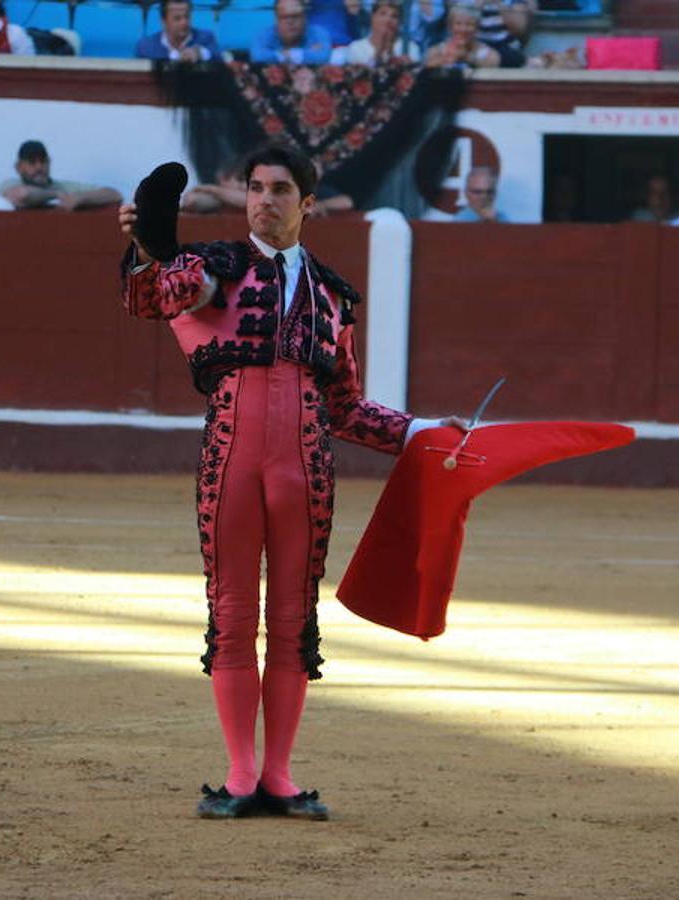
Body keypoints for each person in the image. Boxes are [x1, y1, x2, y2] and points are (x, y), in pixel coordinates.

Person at [118, 145, 465, 821]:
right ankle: (240, 771)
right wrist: (147, 245)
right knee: (232, 613)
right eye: (254, 187)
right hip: (231, 455)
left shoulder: (334, 297)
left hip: (305, 464)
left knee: (292, 621)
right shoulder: (211, 265)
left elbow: (345, 409)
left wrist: (422, 430)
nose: (264, 200)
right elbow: (149, 297)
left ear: (306, 203)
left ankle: (278, 774)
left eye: (279, 189)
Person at [0, 140, 121, 212]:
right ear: (18, 167)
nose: (39, 167)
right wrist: (56, 194)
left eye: (43, 161)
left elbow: (114, 195)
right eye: (32, 162)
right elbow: (22, 195)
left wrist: (80, 197)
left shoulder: (63, 186)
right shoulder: (11, 184)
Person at [134, 0, 221, 61]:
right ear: (163, 22)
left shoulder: (206, 38)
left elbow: (216, 56)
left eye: (187, 16)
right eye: (177, 18)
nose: (184, 22)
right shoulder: (146, 46)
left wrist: (199, 53)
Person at [250, 0, 333, 64]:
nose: (290, 22)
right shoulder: (264, 35)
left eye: (295, 16)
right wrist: (301, 54)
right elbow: (258, 57)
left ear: (305, 17)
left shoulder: (319, 33)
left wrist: (278, 55)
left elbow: (323, 56)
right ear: (276, 20)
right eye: (284, 17)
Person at [343, 0, 421, 64]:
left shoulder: (411, 48)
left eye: (394, 16)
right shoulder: (356, 48)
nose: (388, 20)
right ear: (372, 17)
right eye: (383, 14)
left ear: (399, 22)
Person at [424, 4, 502, 69]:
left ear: (477, 28)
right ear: (450, 27)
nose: (463, 29)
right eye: (458, 24)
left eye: (469, 24)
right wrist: (447, 58)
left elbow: (492, 65)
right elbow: (425, 68)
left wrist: (466, 57)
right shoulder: (435, 52)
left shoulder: (490, 54)